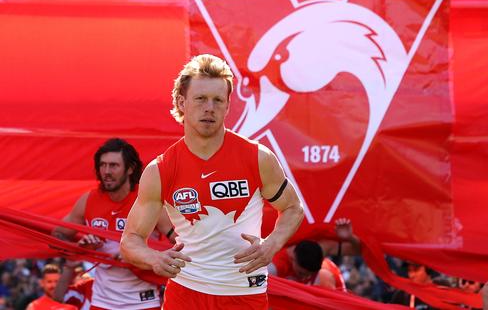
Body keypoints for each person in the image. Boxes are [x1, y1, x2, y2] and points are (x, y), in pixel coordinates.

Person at [120, 54, 304, 309]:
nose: (210, 107)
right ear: (182, 102)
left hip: (243, 293)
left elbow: (293, 208)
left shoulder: (258, 157)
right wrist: (153, 258)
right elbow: (130, 240)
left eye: (218, 100)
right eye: (201, 99)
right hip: (186, 292)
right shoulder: (161, 169)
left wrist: (271, 244)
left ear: (228, 106)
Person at [53, 138, 175, 310]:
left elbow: (179, 243)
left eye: (113, 165)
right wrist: (81, 249)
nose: (106, 171)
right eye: (102, 165)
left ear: (130, 169)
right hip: (102, 301)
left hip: (144, 301)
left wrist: (136, 254)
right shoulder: (89, 200)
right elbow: (57, 235)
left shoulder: (148, 199)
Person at [268, 218, 359, 291]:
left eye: (310, 274)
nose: (305, 277)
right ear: (293, 258)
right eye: (301, 273)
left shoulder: (322, 248)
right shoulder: (275, 266)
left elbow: (356, 251)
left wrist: (350, 237)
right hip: (283, 286)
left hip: (323, 282)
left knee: (325, 276)